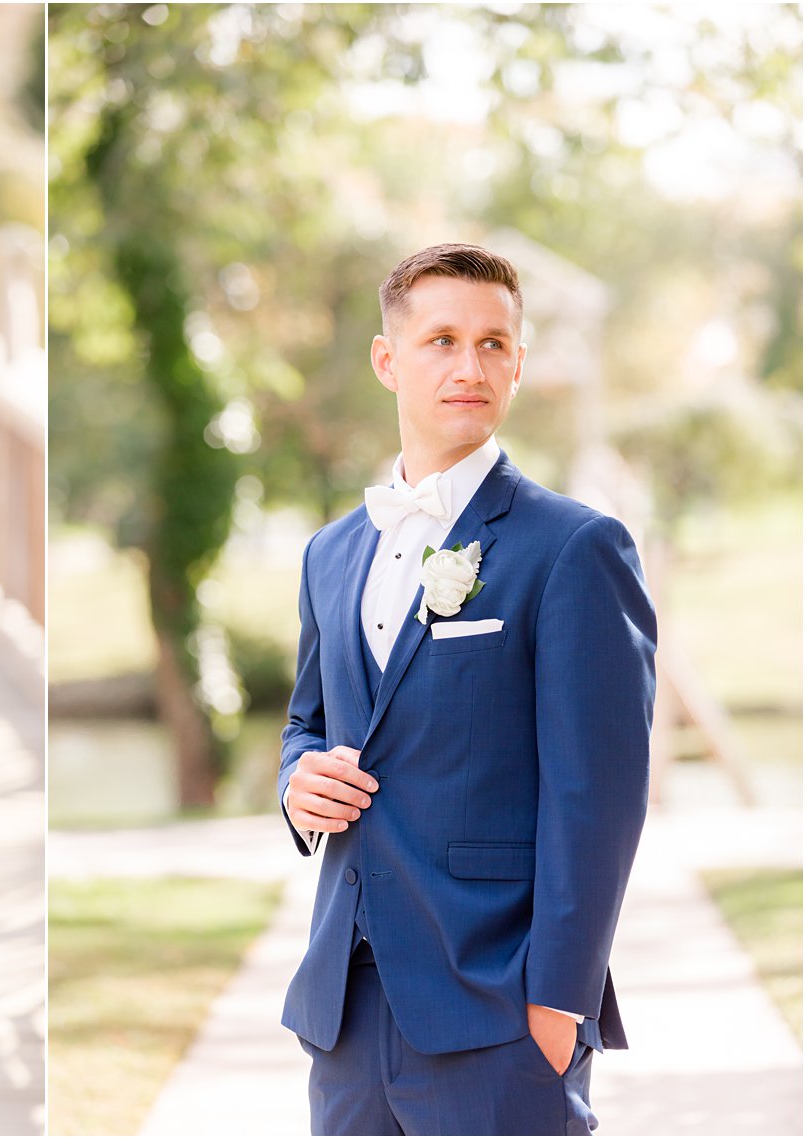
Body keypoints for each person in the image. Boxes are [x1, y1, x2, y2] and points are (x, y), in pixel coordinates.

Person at [277, 243, 656, 1136]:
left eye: (493, 345)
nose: (468, 365)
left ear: (519, 366)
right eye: (442, 339)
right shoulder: (330, 554)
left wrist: (558, 1004)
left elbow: (597, 797)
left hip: (500, 1005)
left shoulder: (575, 546)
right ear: (388, 360)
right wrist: (298, 779)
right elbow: (307, 722)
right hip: (345, 1010)